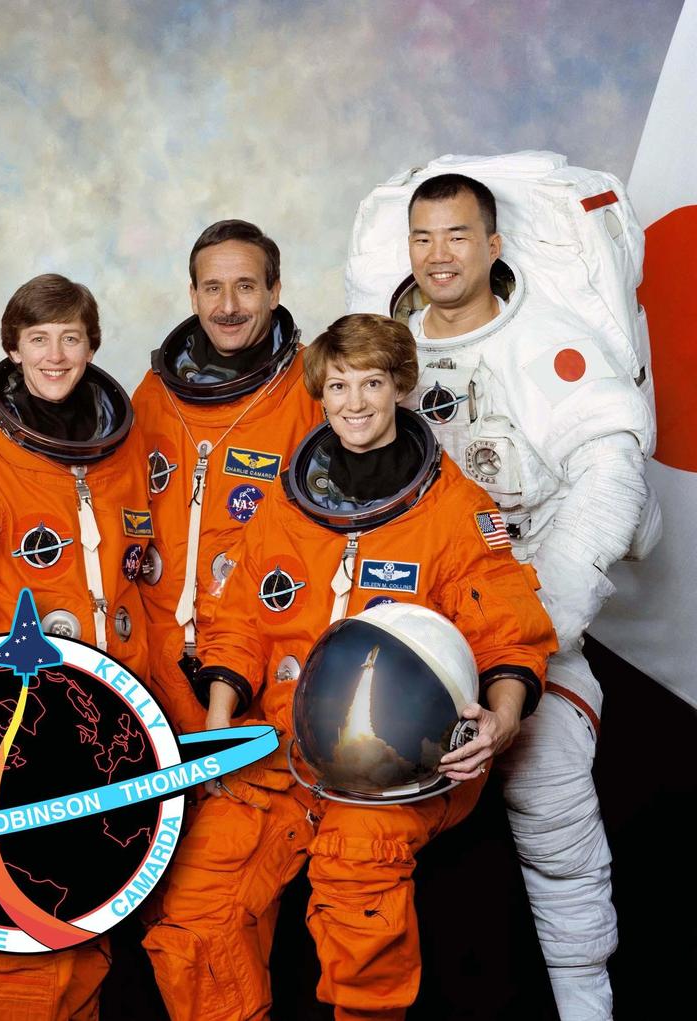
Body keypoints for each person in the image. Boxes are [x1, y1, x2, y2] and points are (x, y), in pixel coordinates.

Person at [144, 314, 557, 1021]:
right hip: (276, 744)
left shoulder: (453, 509)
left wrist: (504, 719)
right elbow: (238, 620)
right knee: (196, 906)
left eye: (372, 382)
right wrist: (217, 729)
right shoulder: (286, 501)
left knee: (357, 898)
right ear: (321, 392)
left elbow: (510, 634)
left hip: (397, 759)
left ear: (401, 387)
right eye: (339, 384)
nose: (355, 401)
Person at [394, 173, 655, 1019]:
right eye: (424, 238)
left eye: (458, 236)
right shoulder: (384, 357)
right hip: (413, 614)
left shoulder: (546, 347)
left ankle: (586, 999)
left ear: (494, 246)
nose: (440, 256)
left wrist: (537, 624)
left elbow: (610, 474)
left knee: (551, 798)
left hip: (530, 598)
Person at [0, 273, 149, 1019]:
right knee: (28, 922)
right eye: (38, 339)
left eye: (71, 337)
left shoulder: (124, 441)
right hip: (29, 719)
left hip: (121, 710)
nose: (55, 354)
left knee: (93, 910)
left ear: (92, 344)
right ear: (10, 348)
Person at [131, 219, 321, 733]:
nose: (228, 306)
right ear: (193, 295)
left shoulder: (314, 393)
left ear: (275, 291)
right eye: (213, 288)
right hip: (156, 658)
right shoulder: (154, 393)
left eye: (245, 287)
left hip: (263, 656)